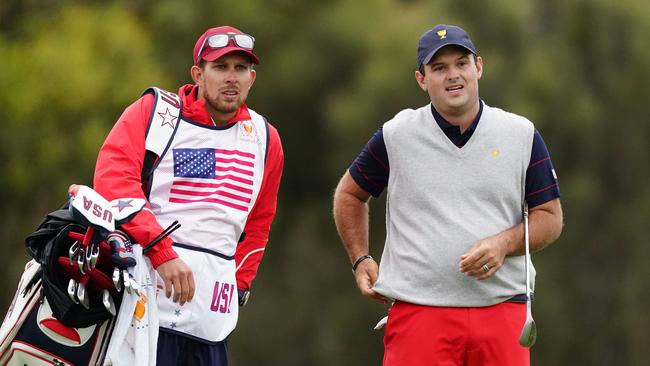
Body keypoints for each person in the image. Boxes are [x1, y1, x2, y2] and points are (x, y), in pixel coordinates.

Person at [332, 24, 563, 365]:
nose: (453, 75)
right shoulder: (397, 135)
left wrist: (503, 243)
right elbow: (349, 195)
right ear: (422, 80)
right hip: (419, 314)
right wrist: (360, 257)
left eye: (461, 64)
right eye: (439, 68)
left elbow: (550, 217)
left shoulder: (521, 134)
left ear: (478, 67)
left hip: (503, 310)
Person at [93, 25, 284, 365]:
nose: (232, 78)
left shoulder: (265, 139)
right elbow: (114, 183)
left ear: (252, 78)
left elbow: (258, 221)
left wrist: (238, 285)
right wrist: (162, 252)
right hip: (143, 306)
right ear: (198, 73)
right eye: (220, 67)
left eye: (240, 69)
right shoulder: (155, 113)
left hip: (211, 319)